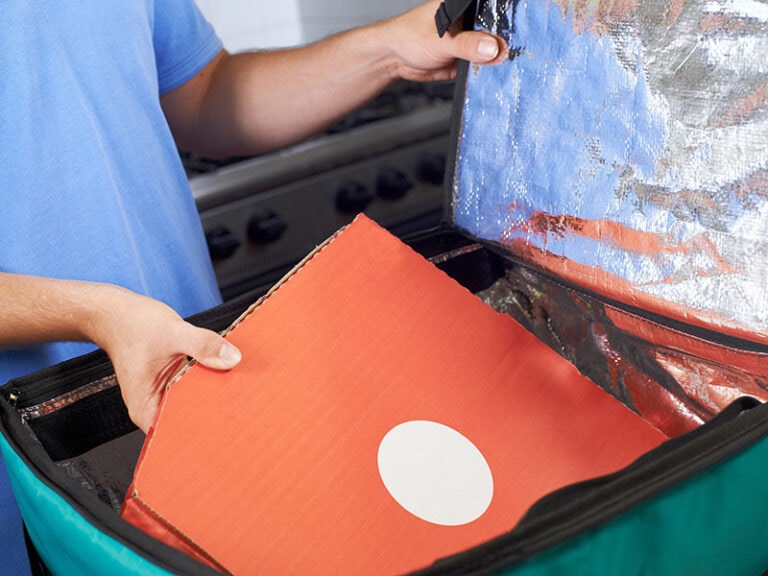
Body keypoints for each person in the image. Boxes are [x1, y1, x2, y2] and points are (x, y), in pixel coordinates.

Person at [0, 0, 506, 572]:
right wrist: (93, 313)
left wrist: (389, 49)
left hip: (194, 385)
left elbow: (209, 96)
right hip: (35, 458)